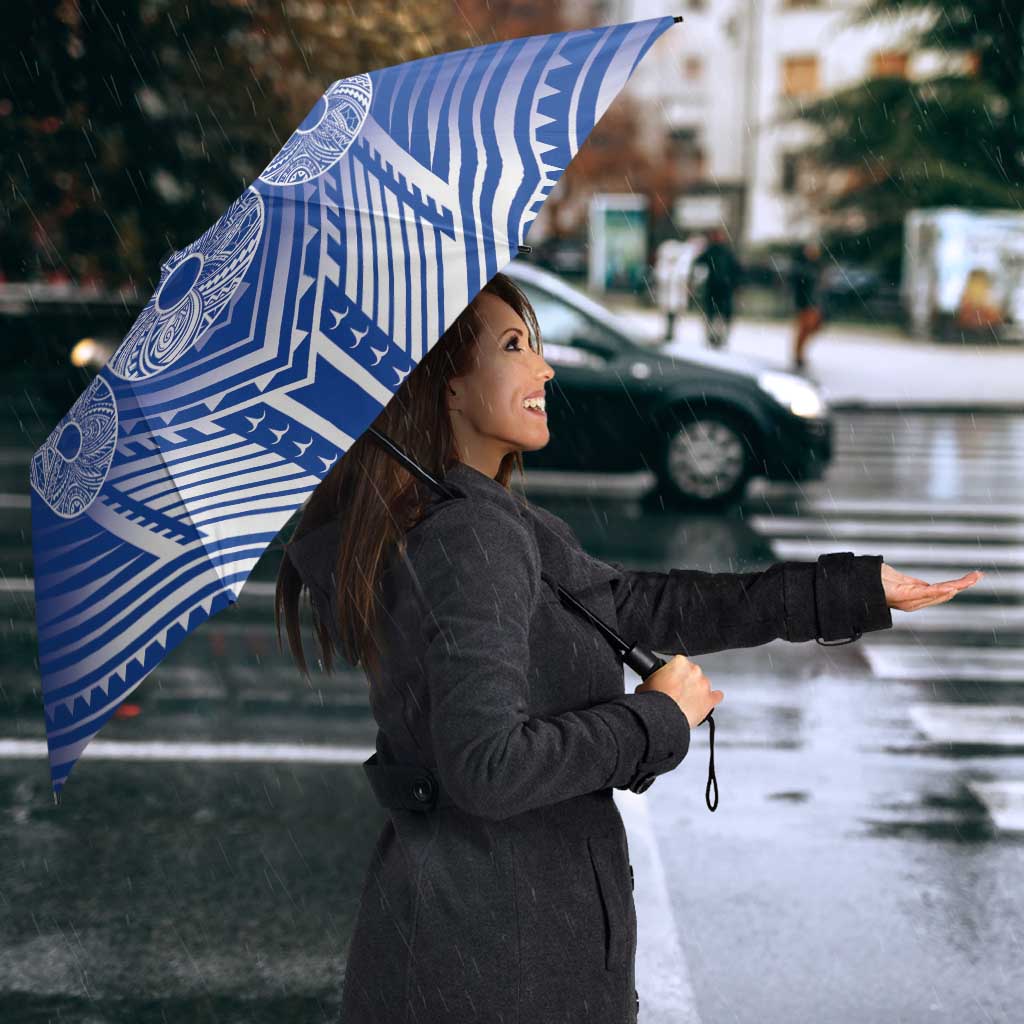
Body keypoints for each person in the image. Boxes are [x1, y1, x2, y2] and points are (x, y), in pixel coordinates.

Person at [276, 271, 979, 1024]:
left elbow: (640, 605)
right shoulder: (470, 536)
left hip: (479, 941)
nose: (544, 368)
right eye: (514, 346)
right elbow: (487, 767)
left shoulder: (476, 518)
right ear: (445, 386)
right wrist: (655, 719)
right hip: (499, 962)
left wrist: (850, 590)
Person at [692, 226, 742, 349]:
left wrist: (735, 284)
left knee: (720, 315)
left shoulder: (725, 252)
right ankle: (713, 337)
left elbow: (736, 270)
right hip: (715, 288)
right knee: (713, 314)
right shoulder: (712, 251)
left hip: (723, 288)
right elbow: (698, 264)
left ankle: (719, 337)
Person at [790, 239, 826, 370]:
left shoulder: (817, 266)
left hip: (814, 303)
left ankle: (799, 354)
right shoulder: (802, 267)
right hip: (805, 303)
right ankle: (798, 355)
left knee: (812, 328)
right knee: (804, 329)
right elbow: (799, 286)